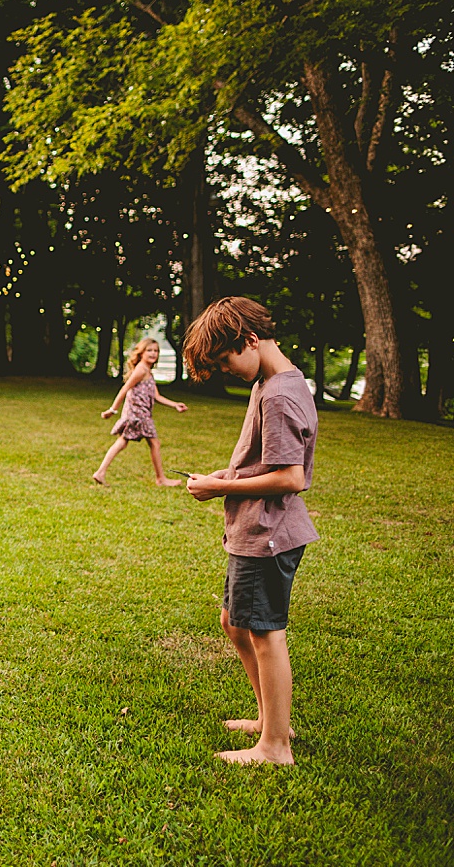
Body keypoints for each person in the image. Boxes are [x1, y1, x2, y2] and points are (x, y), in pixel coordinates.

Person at [183, 296, 319, 766]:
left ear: (250, 340)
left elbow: (290, 476)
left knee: (264, 632)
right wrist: (223, 477)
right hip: (254, 529)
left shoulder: (279, 393)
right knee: (233, 622)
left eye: (225, 358)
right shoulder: (273, 381)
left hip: (269, 533)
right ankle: (269, 718)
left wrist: (221, 487)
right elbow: (261, 462)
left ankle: (275, 746)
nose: (226, 369)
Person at [93, 337, 189, 485]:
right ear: (141, 352)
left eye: (156, 351)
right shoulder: (141, 370)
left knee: (125, 442)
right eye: (149, 350)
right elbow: (125, 389)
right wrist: (113, 410)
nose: (153, 353)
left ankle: (100, 472)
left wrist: (174, 404)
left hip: (141, 414)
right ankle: (161, 479)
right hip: (138, 415)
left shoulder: (148, 371)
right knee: (153, 443)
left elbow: (156, 396)